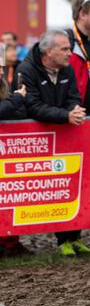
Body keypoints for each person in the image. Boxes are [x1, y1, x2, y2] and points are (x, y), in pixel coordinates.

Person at [14, 30, 90, 256]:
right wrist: (65, 116)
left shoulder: (67, 69)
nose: (70, 53)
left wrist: (74, 110)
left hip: (67, 135)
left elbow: (75, 97)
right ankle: (60, 240)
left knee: (73, 184)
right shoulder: (26, 70)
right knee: (49, 188)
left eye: (70, 48)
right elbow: (33, 106)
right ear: (49, 52)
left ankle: (74, 237)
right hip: (37, 140)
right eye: (65, 49)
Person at [0, 47, 31, 258]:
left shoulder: (4, 86)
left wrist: (17, 102)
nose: (1, 72)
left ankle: (10, 242)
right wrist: (17, 99)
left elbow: (14, 112)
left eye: (1, 68)